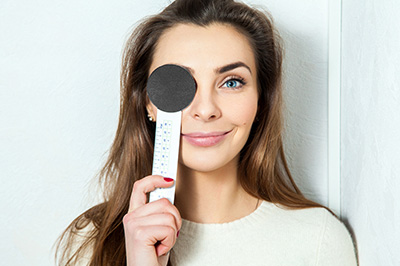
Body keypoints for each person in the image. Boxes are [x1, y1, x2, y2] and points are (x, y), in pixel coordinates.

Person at [55, 0, 358, 265]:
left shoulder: (319, 241)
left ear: (260, 102)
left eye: (231, 82)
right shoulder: (93, 241)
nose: (205, 109)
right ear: (149, 104)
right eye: (177, 85)